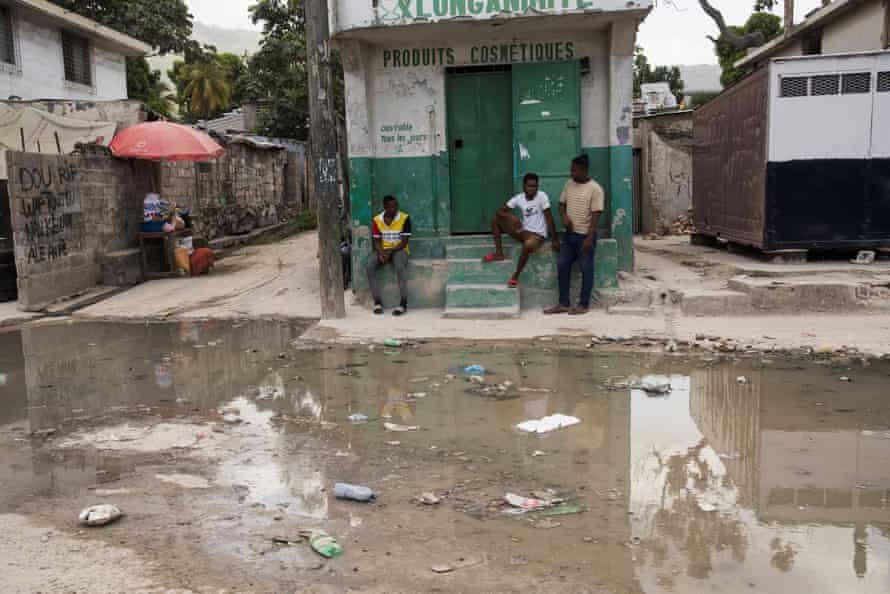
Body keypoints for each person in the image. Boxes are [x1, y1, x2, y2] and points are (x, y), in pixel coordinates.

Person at [544, 155, 604, 316]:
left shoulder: (595, 189)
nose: (571, 173)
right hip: (569, 236)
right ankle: (563, 303)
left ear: (584, 170)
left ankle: (583, 304)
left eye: (574, 170)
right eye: (571, 169)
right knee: (562, 264)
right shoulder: (569, 184)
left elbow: (596, 215)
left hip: (585, 236)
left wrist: (589, 238)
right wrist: (564, 217)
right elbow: (561, 204)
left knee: (586, 269)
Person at [483, 173, 559, 288]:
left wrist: (555, 240)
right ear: (524, 186)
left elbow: (549, 218)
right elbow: (500, 211)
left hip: (537, 236)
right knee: (495, 220)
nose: (532, 189)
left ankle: (515, 275)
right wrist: (512, 217)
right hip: (523, 232)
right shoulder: (519, 198)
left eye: (534, 186)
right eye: (529, 186)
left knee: (528, 244)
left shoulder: (542, 196)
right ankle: (499, 254)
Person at [367, 195, 412, 316]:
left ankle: (403, 303)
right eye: (391, 207)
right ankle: (377, 302)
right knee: (370, 265)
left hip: (400, 250)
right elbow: (376, 241)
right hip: (384, 250)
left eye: (396, 205)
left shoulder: (404, 218)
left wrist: (390, 252)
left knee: (399, 266)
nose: (395, 208)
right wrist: (381, 253)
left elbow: (404, 242)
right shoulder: (377, 220)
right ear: (385, 207)